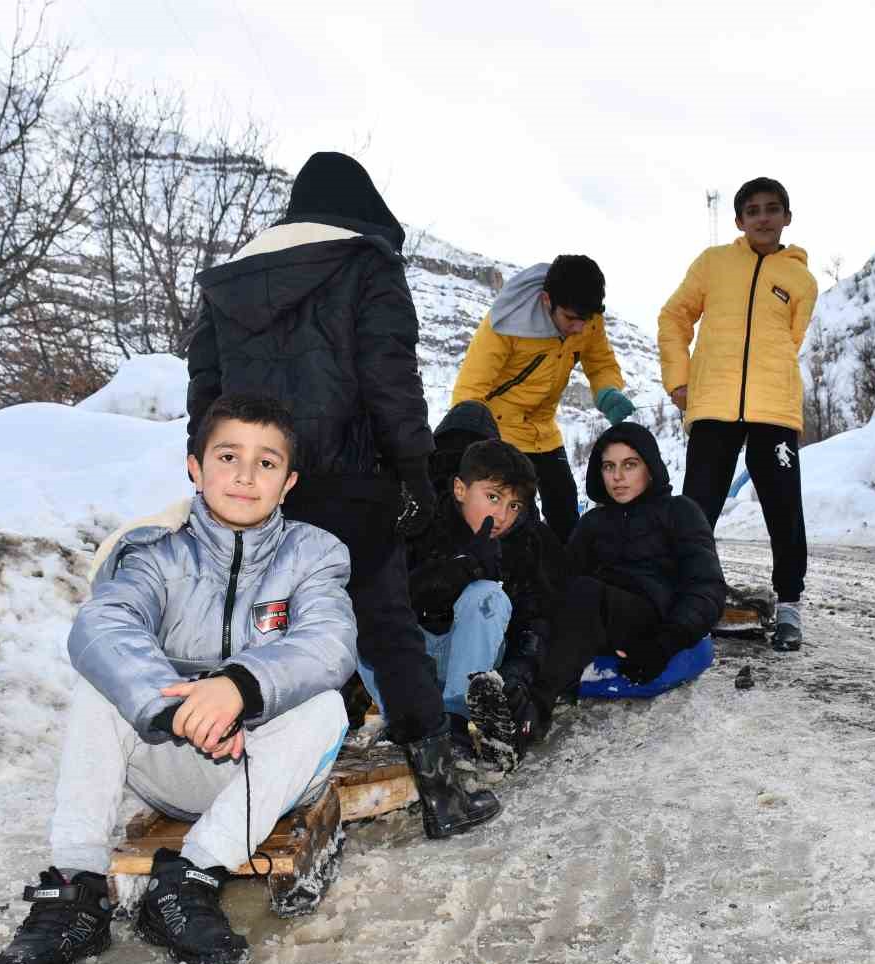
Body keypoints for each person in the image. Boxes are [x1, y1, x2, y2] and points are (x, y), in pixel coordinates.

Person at [185, 151, 499, 840]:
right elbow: (390, 378)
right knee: (386, 630)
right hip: (353, 483)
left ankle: (250, 786)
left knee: (261, 632)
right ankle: (440, 793)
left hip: (260, 489)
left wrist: (212, 472)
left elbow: (204, 391)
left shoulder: (229, 283)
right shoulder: (366, 264)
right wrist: (414, 471)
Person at [0, 396, 356, 964]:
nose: (245, 475)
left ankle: (189, 879)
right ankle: (74, 893)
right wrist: (176, 707)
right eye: (228, 456)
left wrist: (240, 688)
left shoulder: (314, 553)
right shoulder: (153, 549)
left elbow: (330, 641)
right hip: (172, 751)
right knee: (99, 684)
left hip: (262, 773)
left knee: (326, 705)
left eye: (266, 463)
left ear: (288, 482)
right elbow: (103, 625)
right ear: (195, 467)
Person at [657, 176, 817, 651]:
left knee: (784, 509)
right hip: (713, 405)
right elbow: (674, 317)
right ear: (739, 221)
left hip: (774, 408)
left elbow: (791, 340)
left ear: (787, 216)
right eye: (753, 210)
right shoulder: (713, 264)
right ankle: (691, 598)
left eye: (772, 209)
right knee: (697, 508)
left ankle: (788, 606)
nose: (763, 218)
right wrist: (679, 378)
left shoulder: (801, 279)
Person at [366, 428, 554, 772]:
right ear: (460, 489)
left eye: (514, 505)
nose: (502, 515)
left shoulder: (523, 544)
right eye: (493, 497)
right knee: (356, 617)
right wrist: (464, 567)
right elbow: (393, 598)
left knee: (487, 597)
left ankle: (455, 722)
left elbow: (536, 620)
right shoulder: (420, 522)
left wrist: (517, 675)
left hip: (473, 674)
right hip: (412, 660)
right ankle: (404, 717)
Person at [524, 422, 727, 725]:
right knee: (541, 552)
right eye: (608, 466)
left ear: (650, 468)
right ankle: (512, 680)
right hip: (596, 620)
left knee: (584, 591)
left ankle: (531, 714)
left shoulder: (680, 511)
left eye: (629, 465)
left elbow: (706, 587)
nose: (617, 477)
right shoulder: (593, 522)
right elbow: (561, 583)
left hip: (651, 620)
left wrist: (664, 644)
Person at [452, 255, 636, 543]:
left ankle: (571, 578)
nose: (579, 328)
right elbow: (470, 389)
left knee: (565, 512)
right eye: (571, 319)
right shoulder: (505, 324)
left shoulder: (587, 319)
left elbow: (600, 363)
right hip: (501, 433)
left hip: (544, 432)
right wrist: (473, 446)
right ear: (547, 300)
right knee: (517, 520)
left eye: (585, 320)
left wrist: (607, 390)